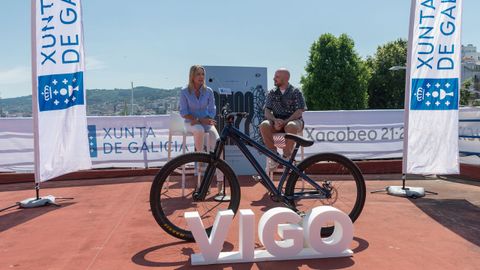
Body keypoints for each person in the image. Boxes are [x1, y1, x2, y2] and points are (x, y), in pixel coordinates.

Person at [260, 68, 306, 168]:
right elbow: (267, 110)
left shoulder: (296, 92)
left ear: (285, 78)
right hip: (277, 122)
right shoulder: (272, 92)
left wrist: (285, 121)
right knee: (264, 125)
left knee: (291, 126)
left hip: (294, 121)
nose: (274, 78)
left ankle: (286, 157)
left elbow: (299, 111)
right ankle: (274, 156)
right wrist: (274, 120)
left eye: (277, 77)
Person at [179, 65, 219, 152]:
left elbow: (212, 110)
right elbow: (183, 112)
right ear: (192, 76)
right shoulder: (184, 91)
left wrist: (206, 119)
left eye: (203, 74)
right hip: (191, 122)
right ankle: (200, 161)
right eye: (198, 74)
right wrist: (199, 120)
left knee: (218, 141)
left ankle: (218, 164)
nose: (201, 76)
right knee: (199, 129)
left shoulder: (209, 91)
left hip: (206, 121)